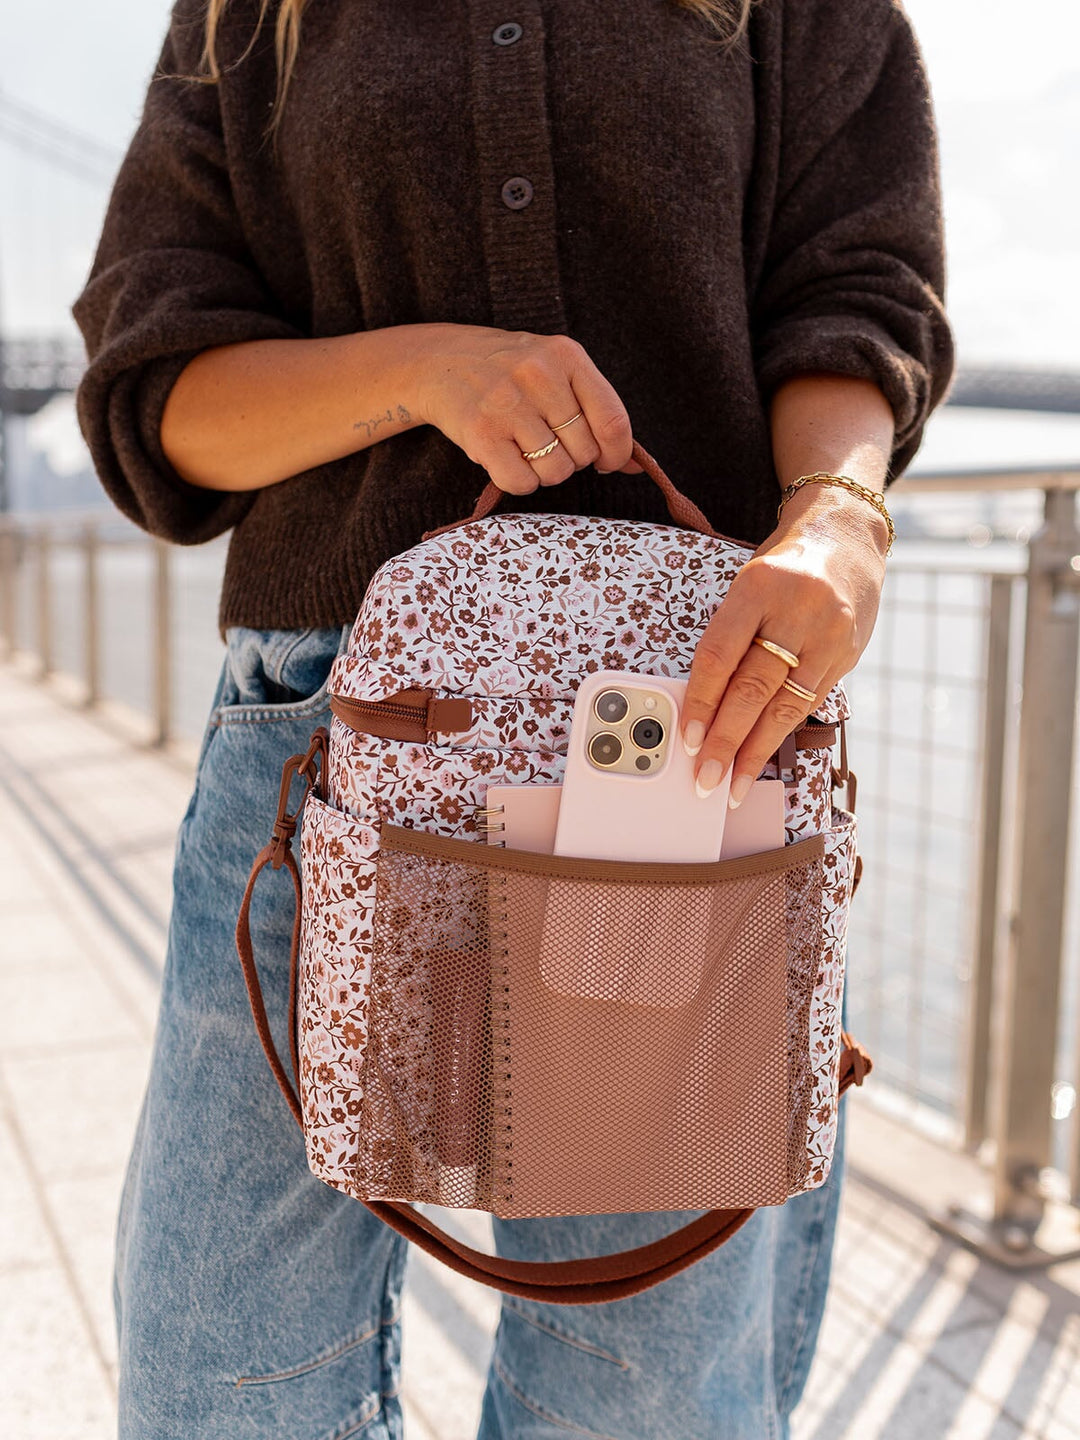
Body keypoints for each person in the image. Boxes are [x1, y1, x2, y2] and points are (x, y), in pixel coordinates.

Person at [73, 0, 953, 1435]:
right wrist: (425, 368)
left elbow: (858, 288)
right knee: (214, 1384)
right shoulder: (251, 16)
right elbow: (153, 391)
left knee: (641, 1403)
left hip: (677, 750)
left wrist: (841, 514)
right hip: (330, 745)